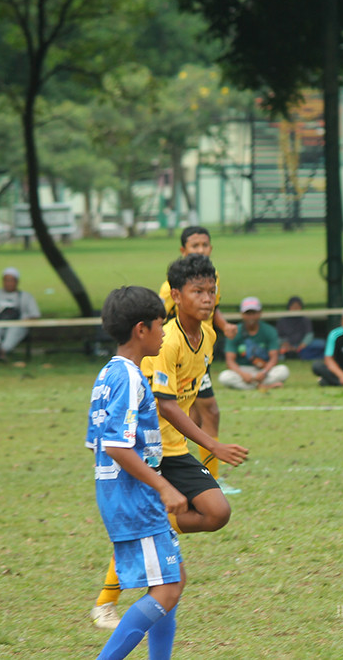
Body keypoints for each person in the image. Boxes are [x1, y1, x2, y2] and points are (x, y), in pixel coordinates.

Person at [90, 255, 249, 630]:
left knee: (217, 512)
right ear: (176, 296)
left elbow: (193, 394)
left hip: (174, 448)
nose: (208, 299)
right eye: (198, 292)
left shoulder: (207, 335)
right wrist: (212, 444)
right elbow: (164, 404)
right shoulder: (166, 341)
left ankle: (157, 526)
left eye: (212, 291)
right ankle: (105, 602)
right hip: (147, 451)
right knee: (167, 575)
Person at [86, 286, 186, 659]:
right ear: (141, 329)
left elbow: (95, 443)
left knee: (171, 582)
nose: (165, 333)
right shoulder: (128, 377)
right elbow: (114, 444)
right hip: (135, 500)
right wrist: (163, 487)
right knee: (166, 590)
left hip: (126, 497)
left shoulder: (108, 374)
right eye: (161, 325)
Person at [158, 226, 239, 494]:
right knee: (198, 412)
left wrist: (224, 325)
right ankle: (206, 473)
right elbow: (154, 315)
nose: (201, 249)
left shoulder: (211, 281)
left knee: (201, 411)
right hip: (175, 356)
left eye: (205, 245)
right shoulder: (171, 291)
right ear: (183, 250)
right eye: (195, 245)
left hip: (197, 353)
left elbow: (210, 309)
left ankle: (209, 475)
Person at [218, 296, 290, 390]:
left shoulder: (269, 330)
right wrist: (243, 374)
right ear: (242, 314)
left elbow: (274, 358)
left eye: (254, 313)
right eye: (248, 313)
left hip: (263, 369)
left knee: (283, 370)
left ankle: (249, 386)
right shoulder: (234, 331)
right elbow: (230, 361)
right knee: (224, 377)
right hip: (243, 369)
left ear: (260, 313)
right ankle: (263, 386)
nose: (251, 317)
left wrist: (264, 372)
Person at [0, 267, 40, 362]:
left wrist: (26, 321)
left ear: (17, 282)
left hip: (17, 325)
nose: (8, 283)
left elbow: (35, 315)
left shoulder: (26, 296)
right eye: (6, 280)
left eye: (11, 280)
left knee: (15, 328)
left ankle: (1, 351)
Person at [276, 295, 323, 360]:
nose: (295, 309)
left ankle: (302, 354)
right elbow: (278, 336)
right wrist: (285, 344)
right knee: (275, 348)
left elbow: (309, 335)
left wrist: (303, 344)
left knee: (322, 344)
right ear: (289, 307)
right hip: (287, 346)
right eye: (293, 306)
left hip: (304, 345)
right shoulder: (282, 320)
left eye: (297, 306)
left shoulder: (305, 319)